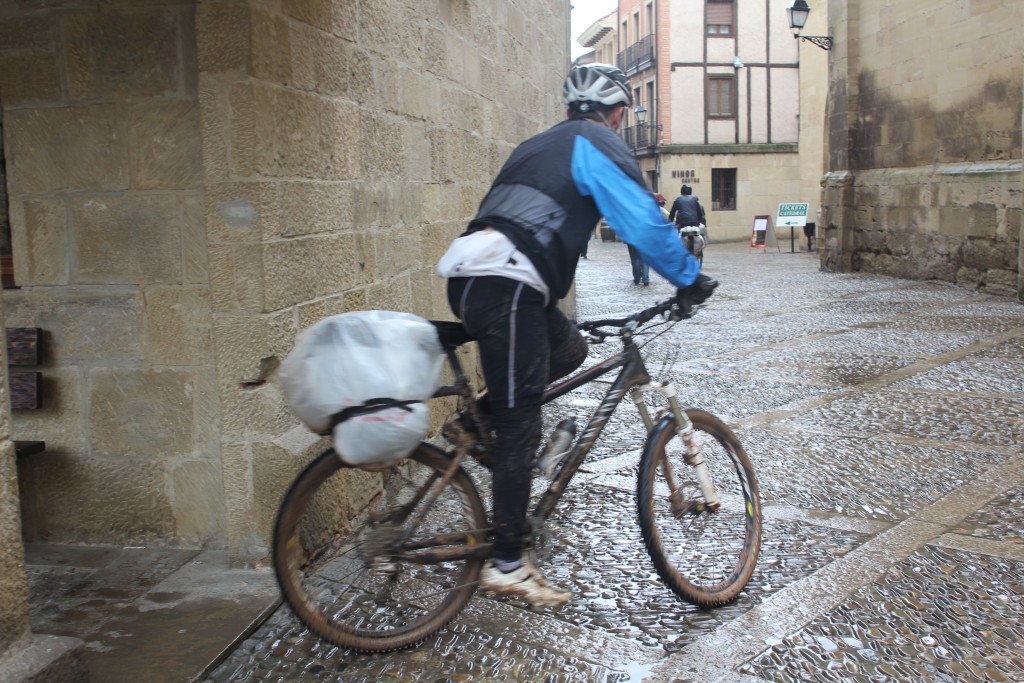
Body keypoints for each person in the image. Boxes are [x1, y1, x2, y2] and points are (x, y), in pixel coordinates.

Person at [436, 63, 717, 608]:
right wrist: (689, 277)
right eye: (621, 115)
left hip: (483, 279)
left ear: (570, 109)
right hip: (508, 285)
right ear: (615, 114)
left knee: (571, 348)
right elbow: (640, 219)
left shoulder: (537, 144)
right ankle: (508, 564)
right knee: (523, 429)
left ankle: (478, 421)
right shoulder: (598, 143)